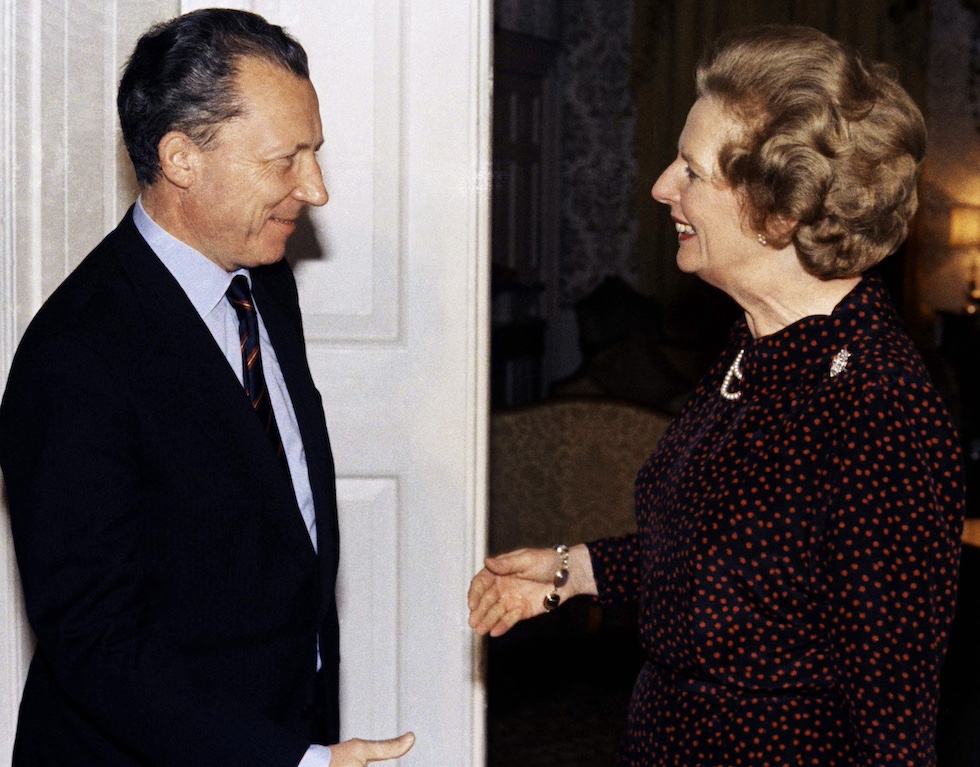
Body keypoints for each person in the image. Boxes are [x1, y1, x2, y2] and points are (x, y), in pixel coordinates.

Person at [469, 24, 965, 767]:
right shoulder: (755, 342)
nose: (662, 185)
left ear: (781, 210)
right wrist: (573, 570)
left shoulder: (879, 416)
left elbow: (891, 726)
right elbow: (736, 566)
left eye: (692, 171)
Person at [0, 9, 413, 767]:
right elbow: (98, 644)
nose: (315, 189)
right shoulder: (75, 357)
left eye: (315, 154)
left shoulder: (262, 276)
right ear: (182, 159)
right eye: (285, 160)